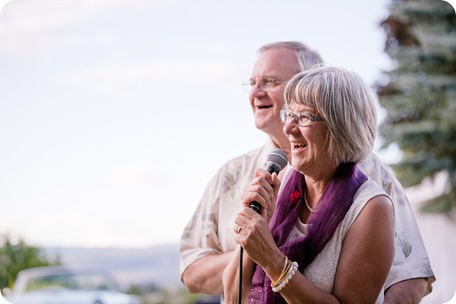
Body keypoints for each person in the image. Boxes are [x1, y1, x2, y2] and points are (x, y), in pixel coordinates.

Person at [179, 41, 435, 303]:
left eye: (269, 82)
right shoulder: (239, 176)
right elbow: (195, 273)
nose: (255, 92)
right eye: (252, 82)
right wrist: (252, 242)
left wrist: (270, 255)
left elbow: (412, 274)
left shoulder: (370, 183)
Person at [222, 64, 394, 303]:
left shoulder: (370, 208)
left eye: (302, 117)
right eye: (289, 115)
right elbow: (233, 295)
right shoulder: (278, 185)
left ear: (339, 126)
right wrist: (252, 229)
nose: (288, 128)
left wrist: (271, 258)